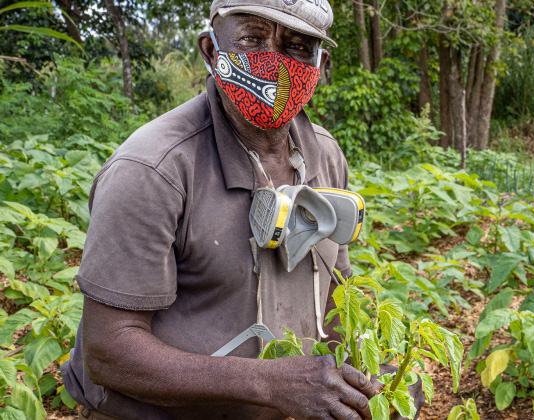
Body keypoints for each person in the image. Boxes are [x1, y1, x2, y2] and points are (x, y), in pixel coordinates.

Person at [60, 0, 422, 419]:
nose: (276, 63)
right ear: (212, 51)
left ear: (321, 66)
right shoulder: (153, 168)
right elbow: (109, 352)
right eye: (253, 39)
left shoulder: (324, 155)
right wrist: (270, 383)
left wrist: (375, 378)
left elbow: (335, 295)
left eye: (298, 47)